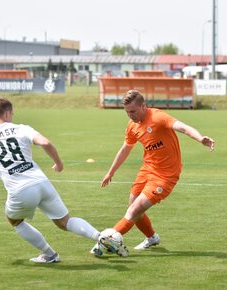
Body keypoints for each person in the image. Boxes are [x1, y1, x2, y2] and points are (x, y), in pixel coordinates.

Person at [0, 97, 123, 263]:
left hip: (20, 190)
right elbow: (45, 143)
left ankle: (49, 254)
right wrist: (59, 164)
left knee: (15, 221)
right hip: (42, 183)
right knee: (65, 221)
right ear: (7, 113)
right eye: (12, 114)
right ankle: (100, 236)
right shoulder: (22, 128)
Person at [91, 90, 215, 256]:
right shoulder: (132, 126)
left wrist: (200, 138)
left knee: (134, 210)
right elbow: (125, 149)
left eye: (133, 111)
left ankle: (107, 239)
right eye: (127, 112)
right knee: (133, 205)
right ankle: (152, 237)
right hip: (147, 169)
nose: (130, 116)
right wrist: (111, 172)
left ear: (143, 106)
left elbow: (182, 127)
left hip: (166, 175)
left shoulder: (158, 117)